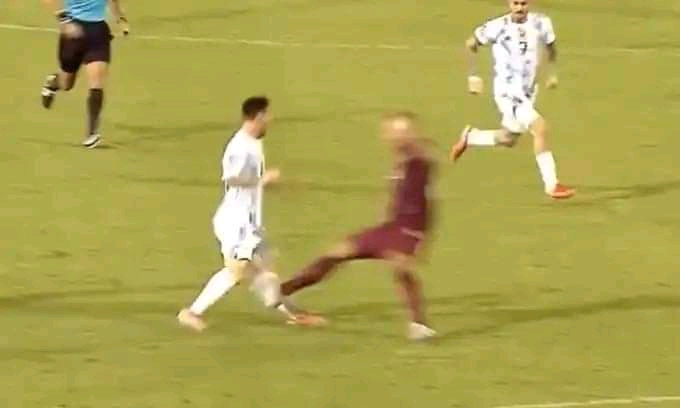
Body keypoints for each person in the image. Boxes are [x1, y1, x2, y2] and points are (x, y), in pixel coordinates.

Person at [279, 112, 437, 341]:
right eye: (391, 131)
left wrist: (422, 239)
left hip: (409, 230)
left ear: (411, 133)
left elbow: (427, 183)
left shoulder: (419, 160)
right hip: (389, 227)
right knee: (336, 253)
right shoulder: (401, 160)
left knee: (401, 267)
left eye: (400, 131)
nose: (393, 136)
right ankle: (283, 291)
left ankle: (419, 324)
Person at [177, 96, 316, 332]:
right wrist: (262, 180)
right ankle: (191, 313)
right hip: (235, 222)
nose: (270, 120)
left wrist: (272, 187)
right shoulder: (239, 147)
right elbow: (231, 178)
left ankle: (294, 313)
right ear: (258, 117)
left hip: (251, 223)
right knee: (238, 270)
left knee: (265, 269)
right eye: (267, 116)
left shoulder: (253, 142)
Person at [450, 0, 575, 199]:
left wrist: (552, 72)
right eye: (515, 3)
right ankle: (552, 185)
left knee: (509, 138)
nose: (519, 8)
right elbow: (471, 44)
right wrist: (473, 76)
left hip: (528, 92)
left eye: (523, 3)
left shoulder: (541, 22)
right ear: (509, 4)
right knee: (540, 127)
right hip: (507, 91)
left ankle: (471, 137)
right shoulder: (497, 26)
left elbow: (551, 46)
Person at [40, 0, 129, 148]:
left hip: (98, 33)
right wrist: (64, 20)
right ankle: (54, 83)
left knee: (97, 82)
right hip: (74, 31)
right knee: (67, 84)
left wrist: (120, 18)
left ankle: (92, 133)